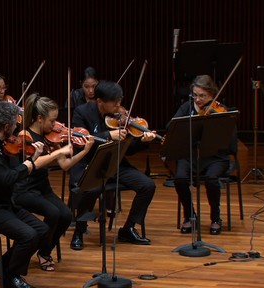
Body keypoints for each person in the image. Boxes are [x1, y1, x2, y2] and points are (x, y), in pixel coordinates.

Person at [12, 93, 95, 272]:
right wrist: (58, 153)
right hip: (24, 190)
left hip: (42, 187)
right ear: (40, 118)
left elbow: (65, 165)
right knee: (53, 213)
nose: (56, 125)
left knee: (65, 215)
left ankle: (44, 249)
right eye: (52, 120)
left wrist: (84, 151)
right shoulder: (25, 135)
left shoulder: (51, 136)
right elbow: (33, 164)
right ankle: (44, 252)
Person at [69, 80, 156, 249]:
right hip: (90, 164)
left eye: (120, 101)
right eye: (114, 102)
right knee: (90, 189)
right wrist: (108, 134)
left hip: (115, 164)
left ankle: (128, 228)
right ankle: (79, 230)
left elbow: (128, 150)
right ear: (100, 101)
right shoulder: (82, 112)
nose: (119, 106)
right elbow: (80, 141)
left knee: (147, 185)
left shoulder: (121, 117)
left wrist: (143, 142)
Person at [0, 101, 49, 288]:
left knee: (42, 230)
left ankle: (1, 266)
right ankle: (10, 277)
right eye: (15, 124)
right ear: (6, 126)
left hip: (4, 203)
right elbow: (7, 178)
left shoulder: (1, 142)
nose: (17, 128)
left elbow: (13, 172)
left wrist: (30, 157)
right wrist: (30, 164)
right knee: (28, 236)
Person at [171, 75, 236, 235]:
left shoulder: (221, 111)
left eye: (202, 96)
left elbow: (230, 142)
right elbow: (171, 127)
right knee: (179, 179)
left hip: (215, 157)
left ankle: (216, 218)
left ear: (212, 95)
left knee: (212, 180)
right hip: (190, 155)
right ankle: (190, 216)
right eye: (195, 95)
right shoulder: (187, 107)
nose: (198, 99)